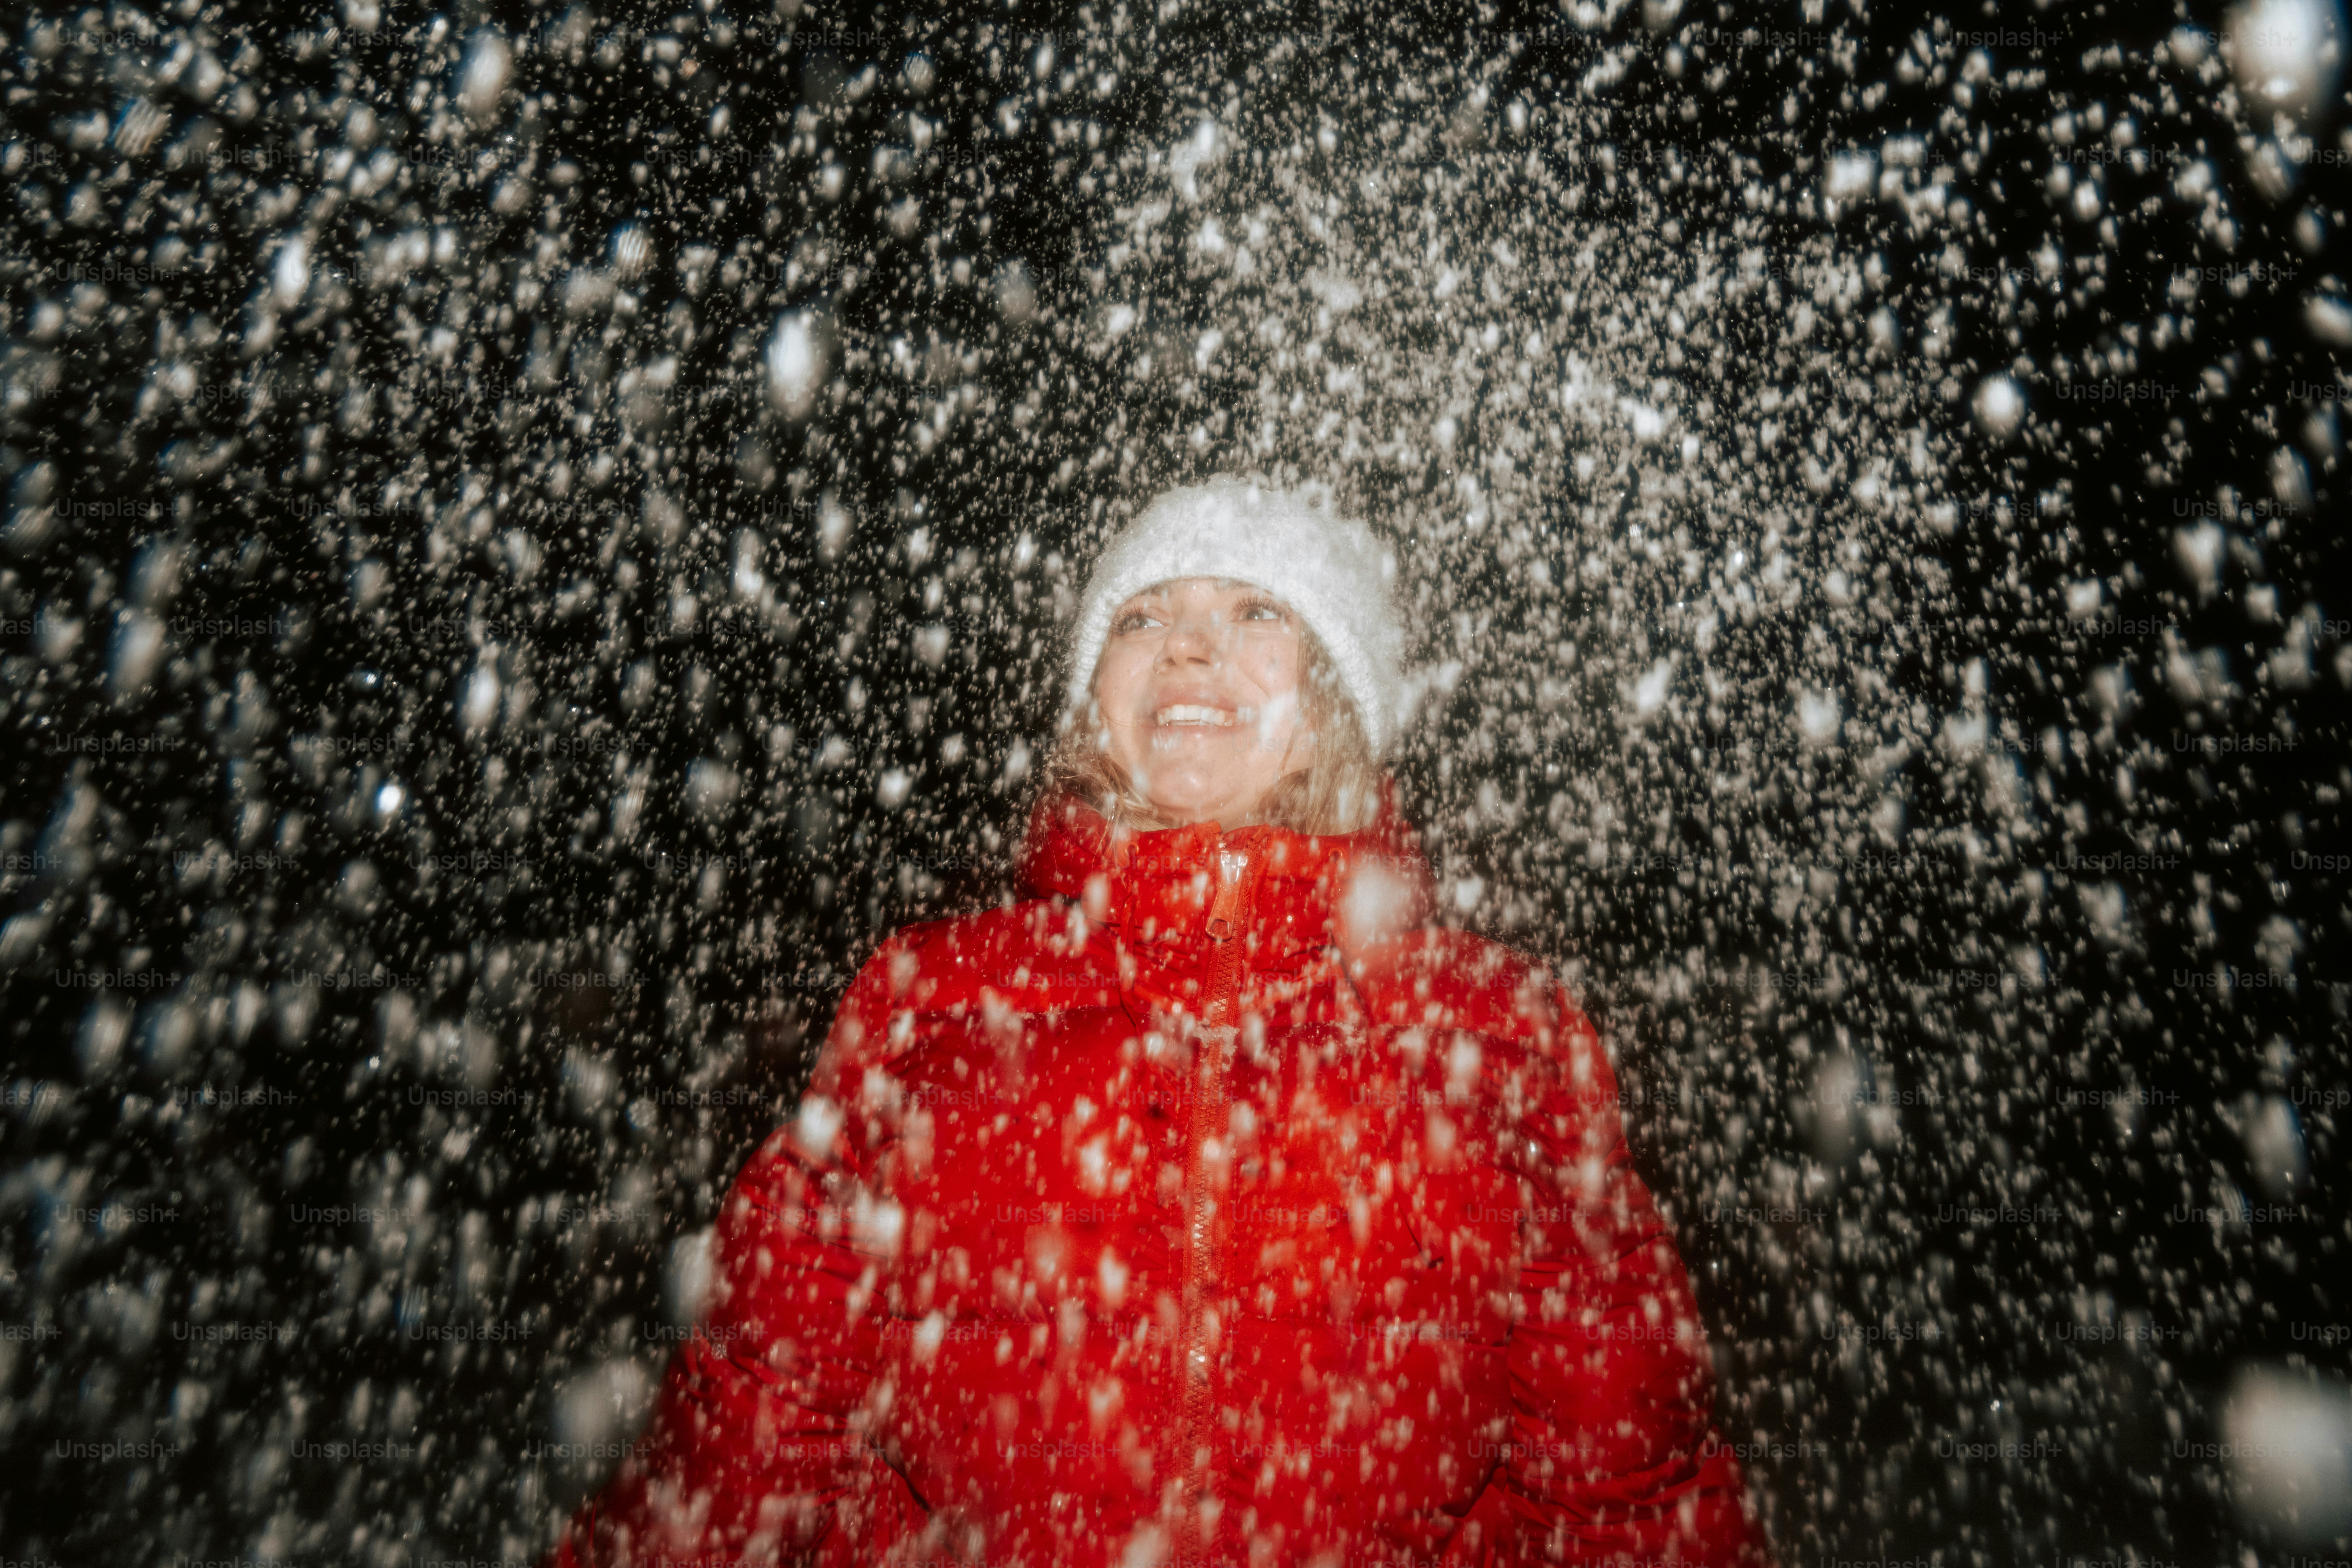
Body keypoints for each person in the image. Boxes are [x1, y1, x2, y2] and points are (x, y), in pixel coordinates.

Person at [546, 475, 1770, 1567]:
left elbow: (1627, 1487)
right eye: (1143, 620)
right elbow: (754, 1429)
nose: (1189, 652)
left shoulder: (1494, 1032)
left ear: (1340, 692)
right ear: (1093, 700)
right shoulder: (938, 998)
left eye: (1255, 614)